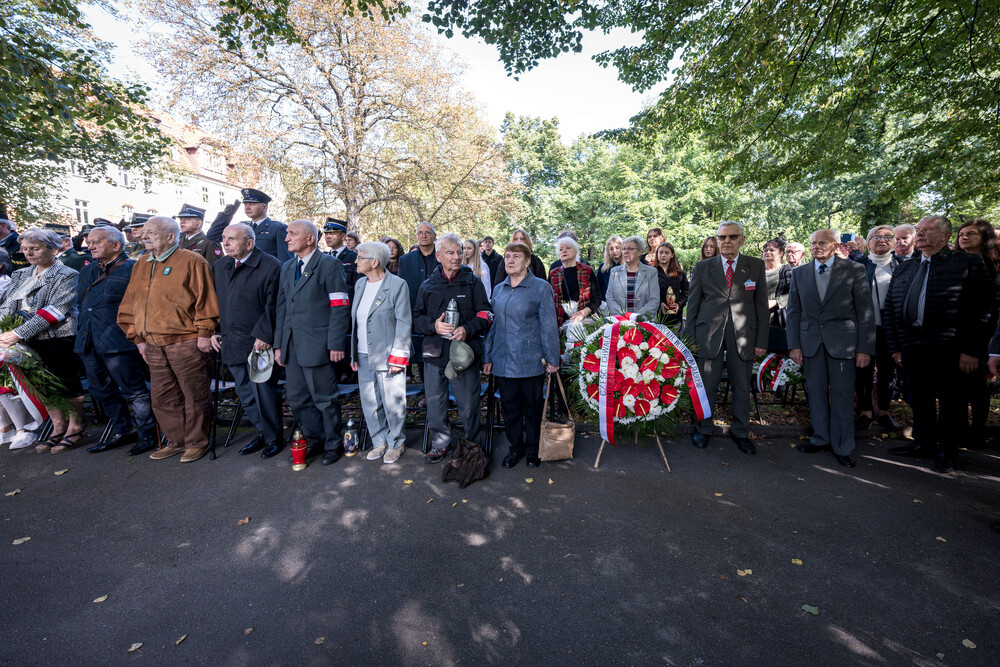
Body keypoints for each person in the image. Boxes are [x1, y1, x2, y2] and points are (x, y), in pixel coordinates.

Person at [882, 216, 994, 472]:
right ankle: (924, 443)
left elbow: (984, 309)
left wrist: (972, 351)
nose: (919, 234)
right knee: (918, 398)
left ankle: (948, 450)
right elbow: (891, 308)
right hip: (912, 346)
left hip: (952, 348)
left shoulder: (968, 263)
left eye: (927, 230)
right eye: (918, 230)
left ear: (945, 236)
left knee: (952, 401)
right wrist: (896, 347)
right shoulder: (904, 267)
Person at [117, 216, 219, 463]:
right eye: (145, 232)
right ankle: (177, 440)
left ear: (171, 237)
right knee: (162, 397)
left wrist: (204, 334)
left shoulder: (193, 260)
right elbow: (130, 303)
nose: (144, 236)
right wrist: (137, 337)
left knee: (194, 394)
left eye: (151, 232)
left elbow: (206, 300)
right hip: (152, 343)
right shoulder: (141, 263)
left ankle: (197, 442)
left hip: (186, 341)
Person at [786, 229, 876, 469]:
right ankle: (820, 438)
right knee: (815, 392)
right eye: (813, 243)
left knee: (843, 395)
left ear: (836, 245)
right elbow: (793, 312)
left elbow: (865, 312)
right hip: (810, 343)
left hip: (844, 344)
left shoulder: (854, 271)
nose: (816, 247)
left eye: (822, 243)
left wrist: (864, 349)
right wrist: (794, 345)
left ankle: (843, 446)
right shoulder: (800, 273)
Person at [685, 222, 769, 455]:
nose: (726, 241)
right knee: (707, 385)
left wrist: (762, 341)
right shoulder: (703, 267)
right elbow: (692, 306)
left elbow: (762, 306)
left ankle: (741, 432)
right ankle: (704, 428)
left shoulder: (755, 265)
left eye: (732, 237)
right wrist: (689, 340)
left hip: (743, 336)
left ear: (742, 240)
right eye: (722, 237)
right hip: (708, 334)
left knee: (741, 386)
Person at [0, 229, 86, 452]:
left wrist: (18, 333)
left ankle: (76, 427)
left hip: (57, 337)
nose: (28, 253)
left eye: (35, 249)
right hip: (25, 339)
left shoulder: (67, 274)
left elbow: (56, 311)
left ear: (54, 249)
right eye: (25, 249)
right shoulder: (20, 274)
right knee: (40, 383)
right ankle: (58, 426)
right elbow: (8, 305)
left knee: (66, 382)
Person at [76, 226, 158, 456]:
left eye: (96, 242)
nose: (90, 246)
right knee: (100, 390)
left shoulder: (134, 269)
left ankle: (148, 434)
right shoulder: (86, 271)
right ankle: (124, 430)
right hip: (89, 340)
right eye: (88, 242)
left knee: (134, 391)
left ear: (116, 245)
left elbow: (142, 306)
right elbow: (81, 305)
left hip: (119, 342)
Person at [275, 220, 352, 465]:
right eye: (287, 234)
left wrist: (336, 344)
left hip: (319, 344)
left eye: (292, 234)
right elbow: (282, 309)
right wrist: (279, 344)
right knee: (297, 399)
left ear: (310, 239)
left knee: (325, 398)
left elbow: (340, 306)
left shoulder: (329, 264)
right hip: (292, 344)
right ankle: (315, 439)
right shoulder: (287, 267)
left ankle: (332, 443)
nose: (287, 238)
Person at [413, 233, 492, 463]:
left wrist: (468, 329)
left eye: (459, 252)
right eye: (450, 253)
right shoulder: (428, 285)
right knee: (436, 403)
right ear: (438, 256)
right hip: (434, 354)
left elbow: (486, 313)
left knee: (468, 404)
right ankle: (441, 443)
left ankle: (471, 445)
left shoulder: (472, 281)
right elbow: (416, 317)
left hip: (464, 354)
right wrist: (433, 325)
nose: (457, 257)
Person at [484, 242, 560, 468]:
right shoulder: (499, 289)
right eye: (507, 256)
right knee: (510, 408)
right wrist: (487, 355)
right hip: (503, 360)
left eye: (516, 257)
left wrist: (552, 359)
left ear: (527, 262)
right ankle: (515, 448)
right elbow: (494, 326)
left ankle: (533, 449)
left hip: (530, 359)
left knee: (533, 407)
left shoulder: (540, 287)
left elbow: (548, 326)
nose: (509, 260)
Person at [211, 223, 283, 459]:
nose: (226, 242)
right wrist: (216, 330)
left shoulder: (270, 265)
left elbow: (274, 304)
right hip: (231, 341)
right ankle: (262, 432)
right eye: (224, 238)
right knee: (245, 393)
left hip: (258, 343)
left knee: (264, 392)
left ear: (250, 243)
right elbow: (219, 303)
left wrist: (265, 334)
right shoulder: (220, 266)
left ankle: (274, 438)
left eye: (232, 239)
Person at [350, 241, 411, 464]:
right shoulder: (359, 285)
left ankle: (396, 442)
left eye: (360, 257)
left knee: (392, 402)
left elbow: (404, 322)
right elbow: (356, 322)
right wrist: (353, 354)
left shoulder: (397, 285)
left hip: (388, 355)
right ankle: (379, 441)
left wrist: (398, 357)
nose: (355, 260)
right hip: (363, 353)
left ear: (374, 262)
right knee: (369, 401)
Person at [850, 225, 902, 431]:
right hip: (864, 328)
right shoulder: (857, 264)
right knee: (863, 370)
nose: (882, 240)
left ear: (894, 241)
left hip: (891, 329)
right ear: (868, 242)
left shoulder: (903, 265)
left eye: (888, 236)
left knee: (888, 372)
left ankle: (884, 411)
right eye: (876, 237)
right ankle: (865, 411)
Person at [955, 218, 1000, 438]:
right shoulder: (952, 263)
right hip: (954, 337)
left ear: (985, 237)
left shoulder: (994, 267)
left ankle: (977, 431)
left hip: (984, 337)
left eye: (970, 234)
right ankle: (960, 430)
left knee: (978, 387)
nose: (964, 237)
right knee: (958, 388)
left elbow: (992, 307)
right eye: (961, 234)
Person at [208, 188, 290, 262]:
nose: (247, 207)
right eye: (245, 204)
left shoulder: (277, 228)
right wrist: (226, 216)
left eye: (252, 204)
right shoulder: (242, 226)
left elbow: (285, 260)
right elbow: (213, 236)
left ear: (264, 207)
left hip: (266, 276)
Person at [549, 236, 599, 330]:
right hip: (560, 324)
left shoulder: (587, 271)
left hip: (585, 322)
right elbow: (548, 300)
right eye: (561, 249)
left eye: (568, 248)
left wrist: (583, 312)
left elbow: (597, 298)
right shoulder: (553, 274)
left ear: (576, 251)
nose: (564, 251)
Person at [605, 236, 659, 318]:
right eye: (624, 249)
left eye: (630, 249)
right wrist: (624, 315)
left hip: (644, 322)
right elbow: (610, 297)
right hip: (620, 322)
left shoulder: (651, 272)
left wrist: (635, 317)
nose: (625, 252)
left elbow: (654, 300)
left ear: (639, 252)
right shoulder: (614, 272)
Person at [398, 222, 439, 310]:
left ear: (434, 235)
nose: (423, 236)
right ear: (417, 236)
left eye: (427, 232)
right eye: (420, 233)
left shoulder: (444, 258)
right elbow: (401, 289)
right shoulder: (405, 260)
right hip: (413, 311)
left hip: (439, 311)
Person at [652, 242, 689, 327]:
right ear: (657, 254)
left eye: (667, 253)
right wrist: (659, 303)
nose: (663, 255)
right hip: (656, 316)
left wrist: (679, 304)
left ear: (672, 255)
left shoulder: (679, 273)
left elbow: (686, 292)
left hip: (675, 317)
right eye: (661, 252)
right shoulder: (652, 272)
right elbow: (647, 292)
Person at [177, 204, 223, 269]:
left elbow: (214, 269)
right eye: (181, 219)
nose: (182, 222)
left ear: (199, 223)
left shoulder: (210, 242)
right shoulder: (178, 240)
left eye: (187, 219)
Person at [323, 218, 358, 294]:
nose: (327, 237)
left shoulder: (354, 257)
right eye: (326, 234)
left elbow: (358, 286)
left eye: (332, 233)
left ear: (342, 237)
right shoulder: (323, 258)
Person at [762, 237, 792, 327]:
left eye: (772, 250)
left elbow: (794, 293)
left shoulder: (787, 271)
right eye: (765, 250)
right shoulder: (756, 271)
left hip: (778, 321)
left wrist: (775, 302)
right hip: (756, 321)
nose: (767, 252)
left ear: (781, 253)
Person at [596, 235, 623, 302]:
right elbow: (597, 289)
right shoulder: (603, 267)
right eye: (611, 249)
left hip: (624, 305)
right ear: (608, 251)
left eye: (617, 248)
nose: (614, 251)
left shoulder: (628, 266)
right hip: (605, 305)